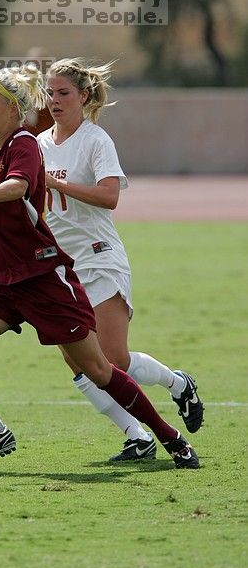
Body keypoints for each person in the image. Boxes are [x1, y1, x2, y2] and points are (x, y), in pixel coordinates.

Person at [0, 63, 199, 470]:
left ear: (15, 110)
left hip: (47, 274)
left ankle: (169, 437)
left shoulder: (28, 143)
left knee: (103, 366)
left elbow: (17, 186)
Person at [36, 57, 204, 461]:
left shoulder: (96, 140)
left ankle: (178, 383)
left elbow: (110, 196)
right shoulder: (39, 144)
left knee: (113, 360)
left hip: (99, 259)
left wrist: (57, 183)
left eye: (64, 93)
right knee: (81, 364)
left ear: (84, 96)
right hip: (61, 268)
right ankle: (137, 436)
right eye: (50, 93)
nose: (55, 101)